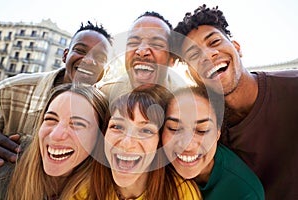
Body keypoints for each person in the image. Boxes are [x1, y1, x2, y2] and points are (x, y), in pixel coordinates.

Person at [172, 4, 298, 199]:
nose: (207, 55)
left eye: (214, 42)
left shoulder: (292, 89)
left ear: (237, 48)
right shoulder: (199, 124)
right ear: (191, 74)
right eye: (194, 56)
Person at [0, 21, 113, 199]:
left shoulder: (106, 110)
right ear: (65, 55)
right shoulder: (11, 90)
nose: (89, 60)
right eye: (81, 50)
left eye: (100, 57)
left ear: (108, 70)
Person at [92, 84, 201, 199]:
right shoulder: (83, 190)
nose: (126, 144)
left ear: (160, 144)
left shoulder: (181, 195)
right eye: (117, 127)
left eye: (146, 130)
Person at [6, 83, 110, 199]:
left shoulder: (106, 192)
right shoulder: (4, 174)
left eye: (77, 124)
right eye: (51, 119)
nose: (56, 135)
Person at [162, 85, 264, 199]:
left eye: (202, 130)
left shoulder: (244, 193)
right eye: (174, 128)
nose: (187, 145)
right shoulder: (154, 162)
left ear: (218, 134)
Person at [97, 11, 187, 101]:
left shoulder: (187, 102)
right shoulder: (105, 95)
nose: (142, 51)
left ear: (172, 59)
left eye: (156, 44)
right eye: (133, 43)